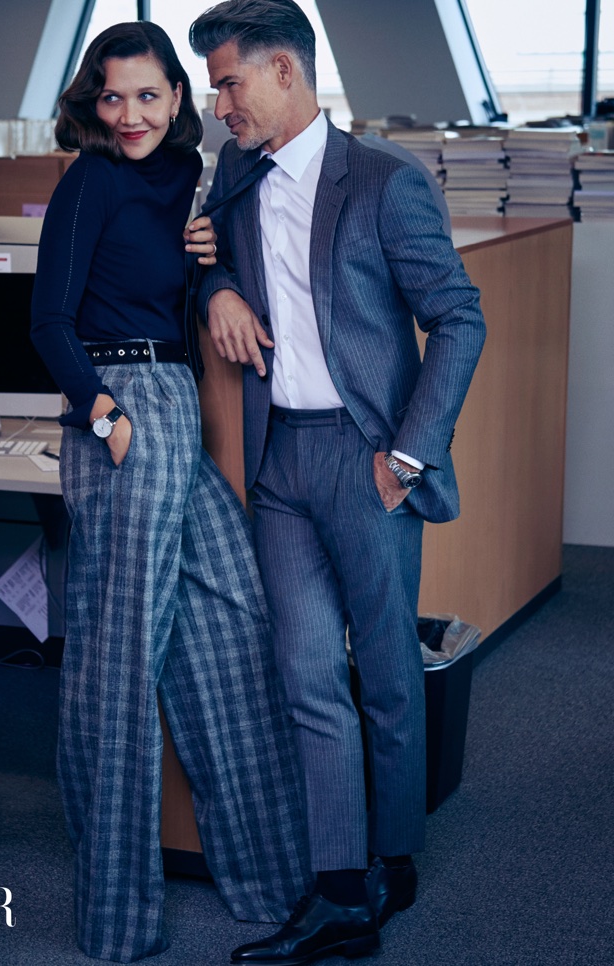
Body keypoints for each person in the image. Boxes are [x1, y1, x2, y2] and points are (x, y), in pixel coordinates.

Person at [188, 1, 487, 962]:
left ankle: (395, 856)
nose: (217, 101)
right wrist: (218, 287)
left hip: (366, 459)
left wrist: (408, 454)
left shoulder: (385, 182)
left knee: (389, 675)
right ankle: (338, 888)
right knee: (305, 673)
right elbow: (204, 266)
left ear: (284, 71)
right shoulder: (232, 174)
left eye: (229, 80)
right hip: (279, 459)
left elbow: (458, 318)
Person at [30, 20, 310, 964]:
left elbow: (191, 292)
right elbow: (48, 323)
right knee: (121, 665)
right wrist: (108, 421)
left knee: (231, 620)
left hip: (175, 400)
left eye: (148, 95)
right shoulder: (91, 179)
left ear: (180, 100)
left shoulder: (190, 185)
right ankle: (118, 921)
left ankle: (270, 882)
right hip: (121, 408)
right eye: (113, 97)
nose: (130, 114)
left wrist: (212, 269)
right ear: (92, 104)